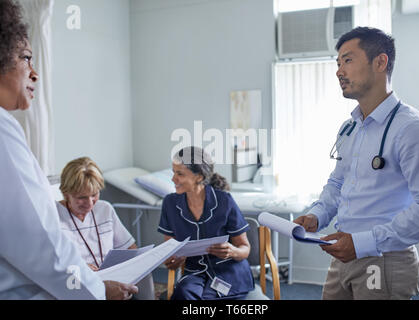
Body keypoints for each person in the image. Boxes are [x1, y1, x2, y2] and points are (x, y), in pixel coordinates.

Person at [294, 26, 419, 300]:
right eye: (338, 63)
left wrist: (365, 242)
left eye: (348, 60)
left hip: (384, 260)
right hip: (342, 254)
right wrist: (317, 215)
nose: (339, 71)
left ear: (380, 62)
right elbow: (337, 183)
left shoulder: (414, 130)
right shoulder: (350, 128)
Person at [0, 0, 137, 299]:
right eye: (25, 58)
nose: (34, 74)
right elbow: (41, 244)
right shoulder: (3, 129)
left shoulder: (106, 211)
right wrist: (97, 290)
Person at [158, 146, 254, 300]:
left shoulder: (224, 201)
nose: (173, 179)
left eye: (180, 174)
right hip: (194, 273)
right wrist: (173, 260)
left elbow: (245, 249)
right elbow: (169, 254)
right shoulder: (170, 203)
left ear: (199, 177)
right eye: (173, 172)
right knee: (182, 294)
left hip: (229, 272)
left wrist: (232, 251)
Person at [57, 157, 155, 299]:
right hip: (79, 282)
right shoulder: (53, 216)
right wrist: (81, 267)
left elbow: (131, 249)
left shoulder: (105, 209)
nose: (90, 203)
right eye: (82, 197)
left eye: (94, 194)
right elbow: (50, 264)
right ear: (66, 193)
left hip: (113, 278)